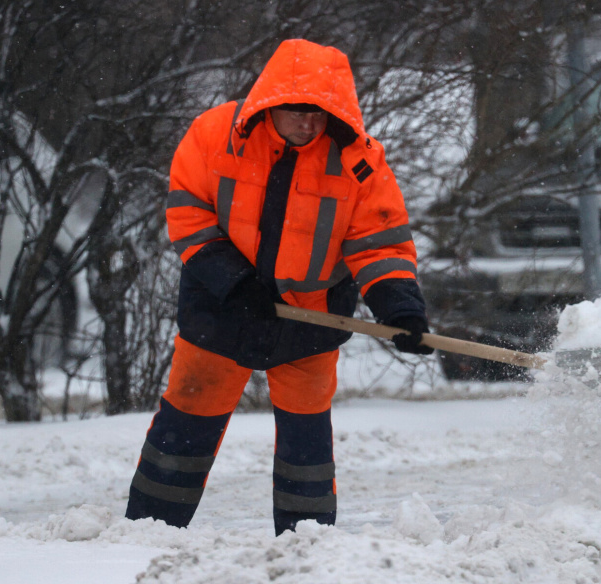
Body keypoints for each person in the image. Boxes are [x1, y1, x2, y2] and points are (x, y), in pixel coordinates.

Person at [125, 39, 433, 535]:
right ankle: (146, 532)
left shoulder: (360, 164)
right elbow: (187, 213)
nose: (308, 122)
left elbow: (380, 245)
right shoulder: (214, 134)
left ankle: (306, 544)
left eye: (320, 112)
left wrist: (401, 311)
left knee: (306, 445)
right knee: (187, 422)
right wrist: (235, 282)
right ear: (269, 101)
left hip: (310, 318)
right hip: (221, 309)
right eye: (297, 109)